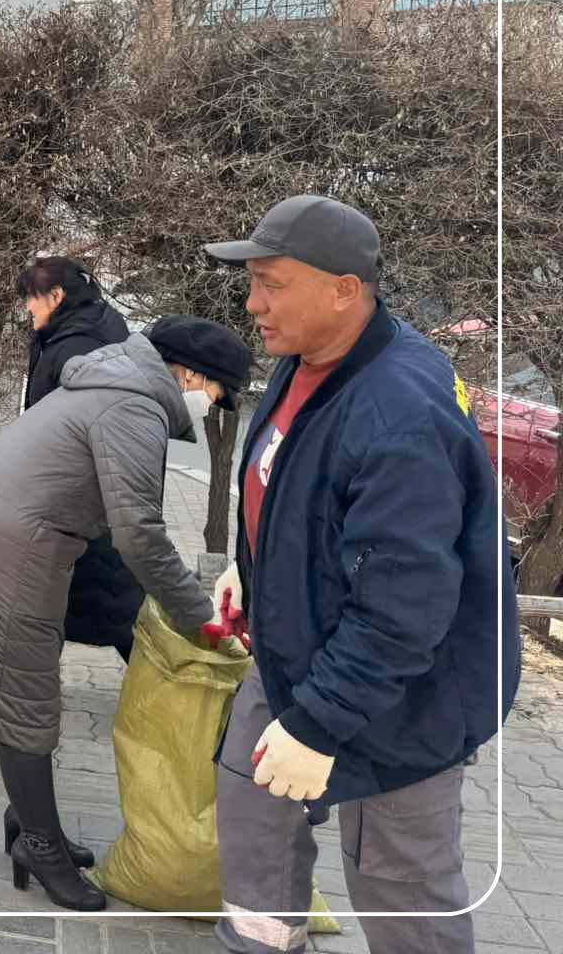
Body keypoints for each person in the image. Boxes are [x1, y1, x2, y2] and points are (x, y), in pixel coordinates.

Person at [202, 195, 519, 954]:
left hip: (402, 698)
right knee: (252, 833)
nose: (253, 304)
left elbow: (404, 605)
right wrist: (250, 569)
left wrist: (315, 726)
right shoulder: (306, 360)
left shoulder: (399, 411)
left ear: (343, 290)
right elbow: (289, 489)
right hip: (293, 658)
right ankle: (261, 939)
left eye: (272, 282)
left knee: (402, 889)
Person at [0, 319, 249, 912]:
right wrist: (200, 615)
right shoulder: (135, 407)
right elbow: (139, 532)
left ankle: (31, 823)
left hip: (1, 529)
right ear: (189, 373)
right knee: (26, 703)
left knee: (22, 692)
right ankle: (39, 846)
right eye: (216, 394)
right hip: (16, 545)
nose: (211, 407)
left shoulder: (111, 383)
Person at [18, 256, 145, 662]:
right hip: (91, 497)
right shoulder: (89, 326)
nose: (27, 307)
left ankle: (171, 692)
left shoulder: (78, 347)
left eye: (31, 298)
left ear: (56, 296)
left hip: (80, 499)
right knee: (73, 600)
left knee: (107, 603)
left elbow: (72, 428)